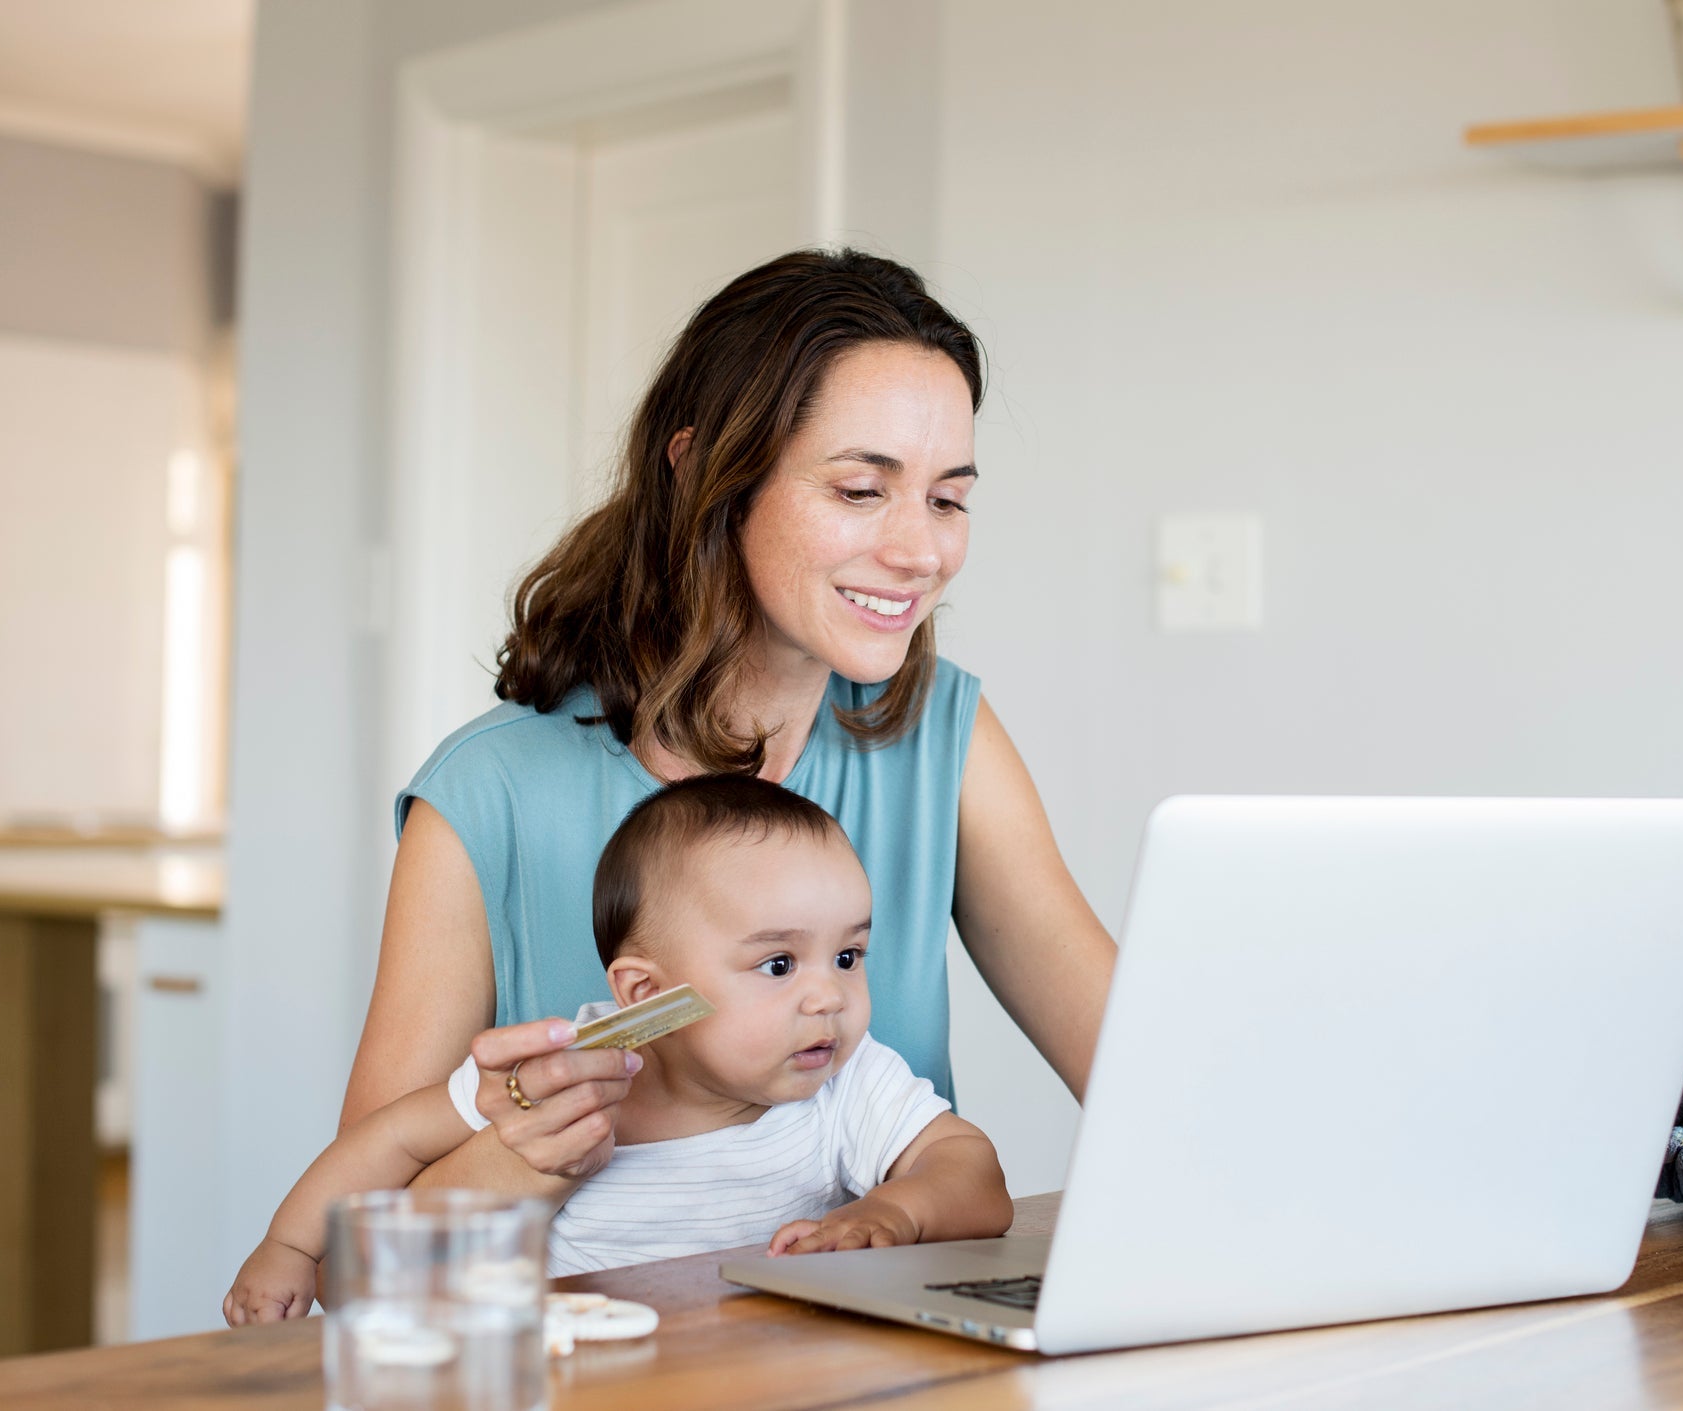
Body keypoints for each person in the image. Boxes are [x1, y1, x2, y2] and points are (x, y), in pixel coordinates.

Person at [343, 248, 1116, 1198]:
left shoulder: (939, 736)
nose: (921, 551)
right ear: (704, 472)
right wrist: (528, 1138)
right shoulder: (486, 796)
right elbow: (359, 1241)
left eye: (947, 499)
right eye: (859, 490)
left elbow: (1139, 1070)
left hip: (883, 1300)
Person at [225, 776, 1013, 1323]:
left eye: (847, 956)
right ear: (644, 993)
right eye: (778, 964)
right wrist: (289, 1243)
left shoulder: (845, 1079)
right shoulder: (555, 1073)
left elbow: (975, 1177)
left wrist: (893, 1211)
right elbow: (390, 1138)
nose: (828, 996)